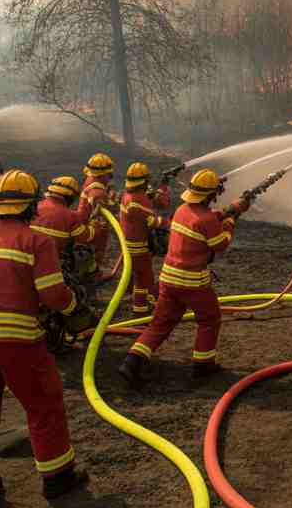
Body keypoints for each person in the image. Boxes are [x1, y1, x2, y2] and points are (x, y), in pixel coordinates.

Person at [0, 169, 96, 508]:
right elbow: (52, 295)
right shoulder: (35, 240)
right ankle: (58, 477)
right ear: (30, 206)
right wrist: (75, 307)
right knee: (43, 404)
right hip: (15, 338)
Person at [117, 169, 246, 386]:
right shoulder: (206, 219)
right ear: (210, 195)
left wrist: (228, 211)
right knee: (209, 318)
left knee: (161, 323)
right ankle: (203, 364)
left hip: (168, 279)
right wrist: (231, 221)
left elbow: (206, 219)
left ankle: (132, 362)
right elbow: (220, 244)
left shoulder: (181, 210)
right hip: (193, 282)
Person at [119, 162, 171, 315]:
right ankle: (141, 309)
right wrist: (169, 222)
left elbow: (153, 201)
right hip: (138, 247)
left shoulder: (128, 195)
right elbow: (153, 222)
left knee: (138, 276)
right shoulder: (137, 200)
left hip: (130, 243)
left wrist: (163, 186)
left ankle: (139, 304)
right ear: (144, 181)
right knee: (144, 278)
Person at [31, 176, 99, 256]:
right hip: (52, 259)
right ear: (70, 197)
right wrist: (95, 226)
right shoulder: (70, 216)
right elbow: (86, 237)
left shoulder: (34, 207)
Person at [78, 153, 116, 284]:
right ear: (103, 174)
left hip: (90, 224)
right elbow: (102, 204)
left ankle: (92, 276)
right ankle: (91, 280)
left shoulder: (92, 181)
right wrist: (111, 200)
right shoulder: (96, 188)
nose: (110, 178)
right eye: (109, 175)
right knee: (94, 254)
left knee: (91, 257)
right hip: (93, 226)